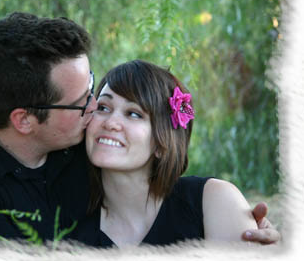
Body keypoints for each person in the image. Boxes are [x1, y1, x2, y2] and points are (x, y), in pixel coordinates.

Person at [0, 12, 279, 245]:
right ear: (24, 120)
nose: (98, 115)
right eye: (91, 103)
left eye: (92, 88)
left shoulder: (81, 144)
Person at [70, 60, 272, 247]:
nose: (111, 122)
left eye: (133, 113)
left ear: (161, 143)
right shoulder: (65, 222)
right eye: (104, 107)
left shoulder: (213, 202)